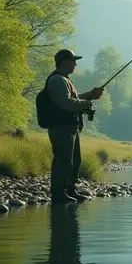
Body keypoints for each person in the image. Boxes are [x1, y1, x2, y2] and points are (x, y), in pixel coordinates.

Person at [46, 49, 104, 204]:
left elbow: (75, 98)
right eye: (73, 60)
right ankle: (59, 193)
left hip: (70, 127)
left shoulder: (64, 79)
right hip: (61, 127)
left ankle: (70, 189)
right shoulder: (58, 80)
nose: (75, 64)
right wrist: (88, 102)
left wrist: (90, 95)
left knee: (74, 160)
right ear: (64, 62)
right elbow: (66, 103)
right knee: (63, 160)